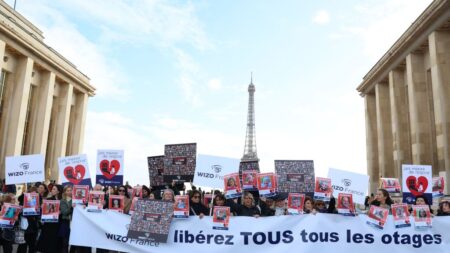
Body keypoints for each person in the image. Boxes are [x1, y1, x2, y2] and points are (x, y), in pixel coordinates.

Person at [38, 184, 63, 253]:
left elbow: (65, 211)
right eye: (52, 189)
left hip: (57, 224)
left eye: (54, 189)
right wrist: (43, 207)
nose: (52, 190)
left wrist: (61, 212)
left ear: (59, 191)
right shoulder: (48, 200)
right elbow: (45, 212)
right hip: (48, 224)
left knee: (55, 242)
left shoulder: (62, 200)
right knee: (47, 242)